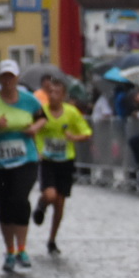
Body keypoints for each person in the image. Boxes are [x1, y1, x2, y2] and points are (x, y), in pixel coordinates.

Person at [0, 59, 46, 272]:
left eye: (11, 76)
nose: (7, 81)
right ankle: (10, 250)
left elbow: (42, 118)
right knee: (4, 205)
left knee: (19, 200)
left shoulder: (28, 99)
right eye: (4, 76)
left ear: (16, 78)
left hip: (26, 159)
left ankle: (22, 248)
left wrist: (34, 128)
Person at [32, 74, 93, 255]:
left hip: (65, 161)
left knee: (60, 202)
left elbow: (87, 132)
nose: (53, 95)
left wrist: (74, 137)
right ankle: (41, 205)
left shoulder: (71, 112)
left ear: (64, 95)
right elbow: (31, 130)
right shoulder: (41, 111)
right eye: (50, 92)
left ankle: (52, 239)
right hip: (48, 160)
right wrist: (37, 149)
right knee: (50, 195)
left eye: (57, 92)